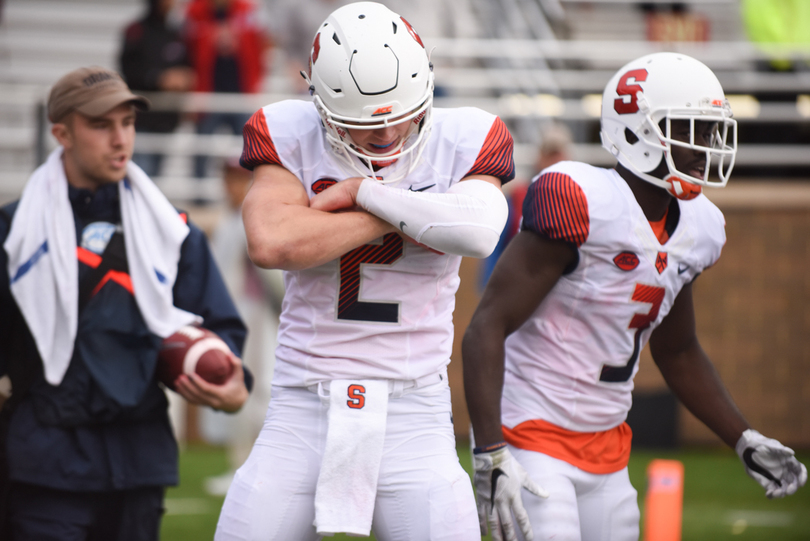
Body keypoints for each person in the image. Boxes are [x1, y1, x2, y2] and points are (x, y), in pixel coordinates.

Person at [462, 52, 808, 541]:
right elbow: (486, 327)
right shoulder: (580, 200)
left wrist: (742, 437)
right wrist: (491, 451)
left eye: (711, 131)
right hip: (530, 433)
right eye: (692, 129)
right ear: (640, 131)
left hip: (607, 444)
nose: (706, 147)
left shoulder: (700, 228)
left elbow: (678, 349)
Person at [214, 2, 513, 539]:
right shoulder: (287, 131)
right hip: (303, 401)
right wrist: (403, 212)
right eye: (361, 124)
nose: (386, 134)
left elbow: (477, 230)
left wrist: (362, 193)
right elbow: (272, 240)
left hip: (414, 409)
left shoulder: (465, 135)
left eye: (402, 114)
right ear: (321, 105)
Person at [0, 66, 252, 541]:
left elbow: (220, 330)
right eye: (101, 125)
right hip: (47, 465)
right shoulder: (15, 232)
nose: (121, 139)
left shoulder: (170, 230)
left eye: (128, 123)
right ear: (62, 133)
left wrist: (232, 381)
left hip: (140, 463)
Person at [201, 159, 284, 496]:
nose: (230, 185)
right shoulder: (228, 219)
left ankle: (259, 467)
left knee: (260, 390)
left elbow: (274, 278)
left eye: (237, 178)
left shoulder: (256, 215)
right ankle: (240, 465)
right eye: (227, 178)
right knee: (240, 389)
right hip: (234, 315)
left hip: (257, 317)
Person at [184, 0, 271, 180]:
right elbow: (186, 51)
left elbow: (261, 47)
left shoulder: (247, 11)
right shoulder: (195, 12)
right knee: (201, 151)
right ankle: (199, 197)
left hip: (240, 94)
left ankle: (247, 195)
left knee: (248, 151)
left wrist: (255, 86)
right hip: (207, 95)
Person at [120, 0, 196, 177]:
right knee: (141, 173)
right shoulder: (136, 30)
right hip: (141, 118)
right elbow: (128, 69)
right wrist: (158, 79)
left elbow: (187, 65)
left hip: (166, 118)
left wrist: (185, 78)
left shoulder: (175, 33)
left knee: (155, 175)